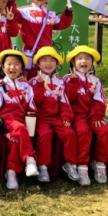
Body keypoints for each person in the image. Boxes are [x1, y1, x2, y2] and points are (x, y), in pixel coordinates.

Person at [0, 50, 39, 190]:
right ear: (3, 67)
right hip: (8, 117)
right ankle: (30, 159)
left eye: (17, 64)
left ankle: (11, 173)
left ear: (22, 68)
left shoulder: (26, 85)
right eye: (9, 64)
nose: (12, 67)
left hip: (23, 118)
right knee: (20, 129)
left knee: (15, 139)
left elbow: (32, 105)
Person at [28, 47, 79, 184]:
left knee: (69, 133)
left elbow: (65, 102)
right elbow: (36, 101)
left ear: (57, 64)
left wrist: (66, 117)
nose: (48, 64)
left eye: (52, 61)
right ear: (38, 64)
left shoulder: (61, 81)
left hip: (57, 117)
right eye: (44, 60)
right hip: (41, 118)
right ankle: (43, 166)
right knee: (45, 135)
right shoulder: (33, 81)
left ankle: (70, 164)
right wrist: (39, 86)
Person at [64, 46, 108, 186]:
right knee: (83, 132)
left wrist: (96, 115)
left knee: (106, 131)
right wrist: (73, 83)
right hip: (76, 115)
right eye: (79, 58)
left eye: (87, 58)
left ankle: (99, 163)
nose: (83, 61)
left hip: (92, 115)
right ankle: (82, 166)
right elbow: (68, 99)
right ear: (73, 62)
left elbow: (100, 99)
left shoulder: (95, 80)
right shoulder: (68, 78)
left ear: (92, 62)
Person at [10, 0, 73, 79]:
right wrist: (11, 2)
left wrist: (68, 13)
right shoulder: (24, 11)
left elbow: (63, 23)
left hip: (46, 54)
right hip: (30, 54)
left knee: (46, 81)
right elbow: (13, 14)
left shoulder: (51, 14)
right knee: (28, 81)